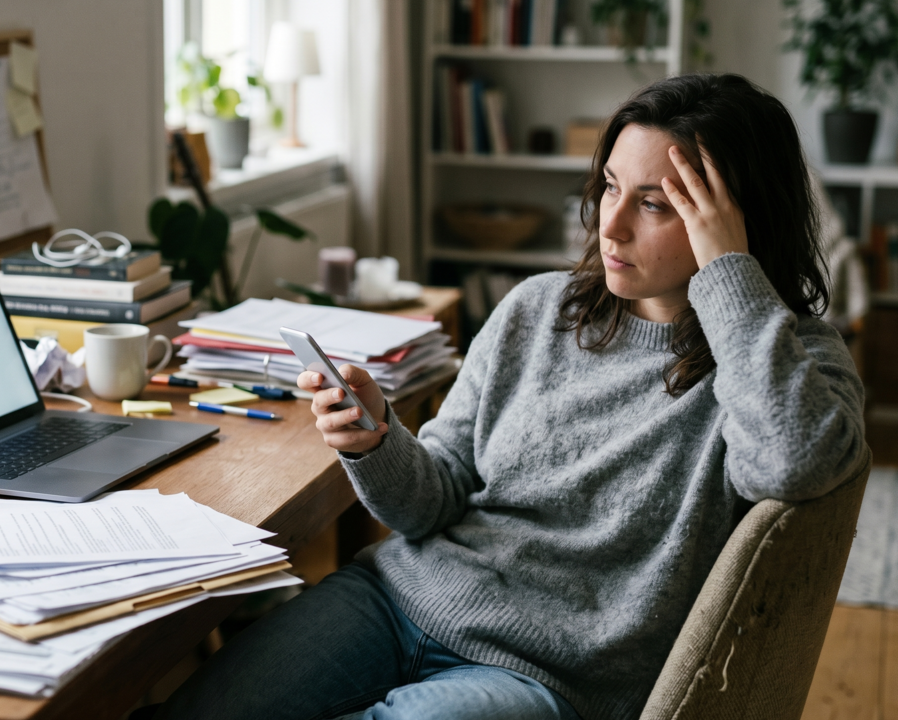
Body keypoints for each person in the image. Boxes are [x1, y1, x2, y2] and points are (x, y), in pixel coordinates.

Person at [154, 73, 867, 720]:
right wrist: (375, 442)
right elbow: (433, 501)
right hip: (400, 596)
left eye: (653, 204)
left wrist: (730, 277)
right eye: (611, 186)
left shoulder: (788, 358)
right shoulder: (540, 308)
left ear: (734, 224)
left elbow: (793, 464)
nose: (610, 226)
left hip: (547, 678)